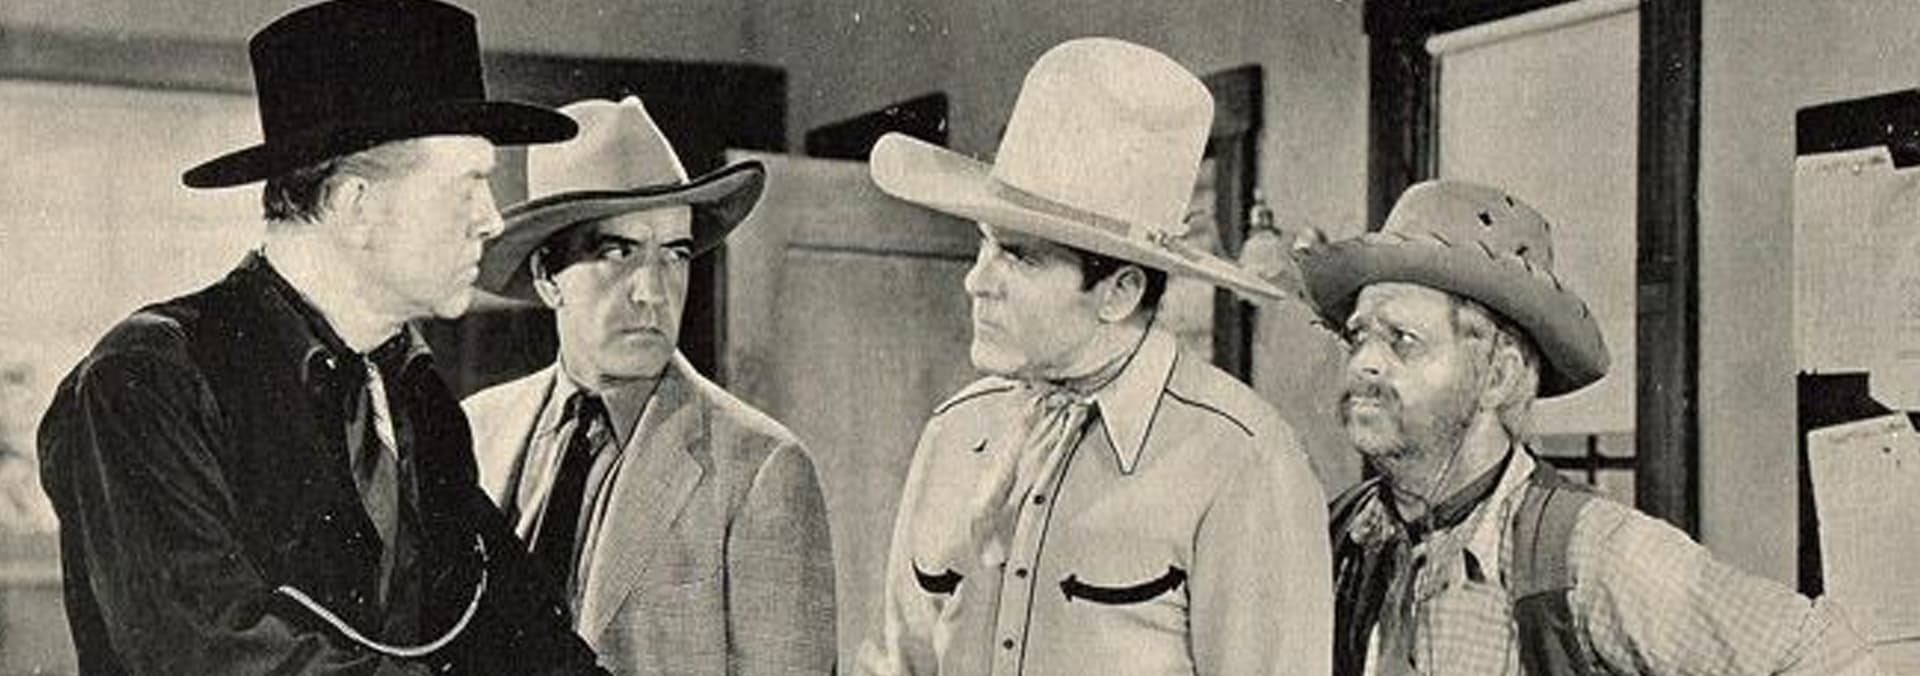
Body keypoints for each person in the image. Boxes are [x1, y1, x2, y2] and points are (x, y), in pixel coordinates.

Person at [35, 1, 609, 673]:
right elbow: (215, 655)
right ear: (352, 205)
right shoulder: (148, 379)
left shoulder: (415, 394)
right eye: (468, 185)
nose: (491, 220)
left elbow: (516, 621)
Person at [857, 37, 1333, 675]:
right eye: (984, 244)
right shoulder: (954, 433)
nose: (976, 280)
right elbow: (897, 664)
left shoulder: (1244, 462)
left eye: (1018, 256)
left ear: (1120, 291)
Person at [1300, 179, 1878, 675]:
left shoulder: (1591, 553)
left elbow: (1827, 657)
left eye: (1402, 340)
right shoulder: (1343, 537)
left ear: (1499, 376)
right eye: (1358, 336)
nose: (1364, 363)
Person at [463, 97, 836, 674]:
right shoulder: (475, 431)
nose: (653, 292)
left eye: (675, 255)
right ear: (546, 277)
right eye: (618, 252)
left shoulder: (762, 469)